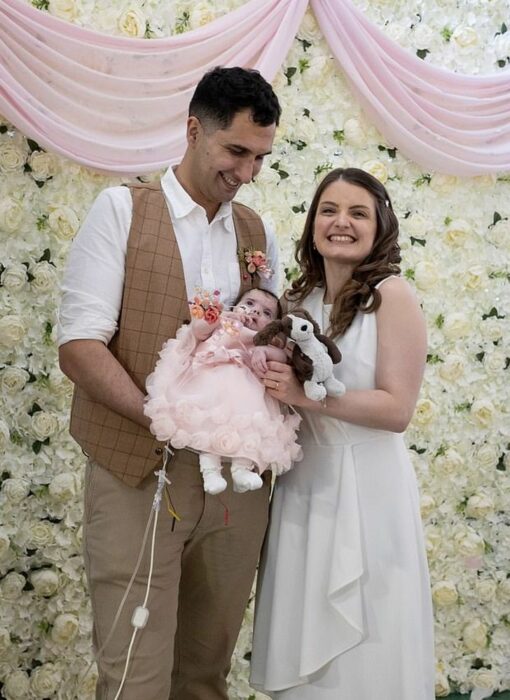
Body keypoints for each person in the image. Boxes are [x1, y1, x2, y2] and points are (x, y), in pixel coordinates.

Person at [57, 66, 281, 700]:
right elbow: (79, 345)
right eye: (235, 151)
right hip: (136, 472)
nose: (246, 173)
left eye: (260, 157)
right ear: (192, 130)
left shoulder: (255, 232)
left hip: (236, 484)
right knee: (135, 679)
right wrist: (163, 417)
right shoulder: (122, 210)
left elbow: (267, 334)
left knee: (205, 677)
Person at [250, 167, 435, 699]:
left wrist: (306, 397)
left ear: (380, 227)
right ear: (312, 223)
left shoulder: (391, 296)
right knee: (304, 627)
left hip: (367, 487)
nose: (341, 223)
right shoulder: (298, 300)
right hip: (306, 485)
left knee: (368, 642)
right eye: (329, 210)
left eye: (358, 213)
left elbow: (397, 408)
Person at [144, 287, 301, 495]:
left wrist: (263, 351)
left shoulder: (262, 340)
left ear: (272, 326)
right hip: (209, 383)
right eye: (250, 303)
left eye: (266, 313)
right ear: (236, 305)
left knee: (249, 429)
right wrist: (216, 317)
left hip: (244, 396)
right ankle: (210, 472)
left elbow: (281, 357)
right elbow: (198, 331)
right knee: (206, 427)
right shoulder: (225, 322)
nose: (256, 312)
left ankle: (242, 469)